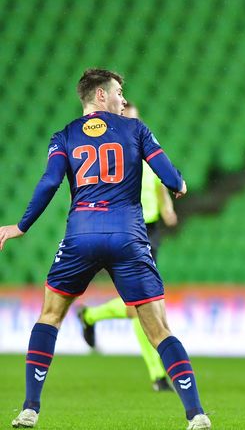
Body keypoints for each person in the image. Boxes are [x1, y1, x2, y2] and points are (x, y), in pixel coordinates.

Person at [0, 69, 211, 429]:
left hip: (81, 234)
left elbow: (50, 182)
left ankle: (30, 408)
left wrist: (21, 226)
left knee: (50, 315)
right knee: (159, 329)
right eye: (118, 92)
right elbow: (170, 176)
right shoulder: (136, 129)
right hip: (128, 234)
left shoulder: (63, 136)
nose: (123, 100)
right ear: (100, 96)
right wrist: (179, 184)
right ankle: (196, 414)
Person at [76, 102, 179, 392]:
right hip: (127, 228)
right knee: (142, 304)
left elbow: (159, 180)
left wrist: (166, 205)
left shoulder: (145, 144)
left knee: (143, 303)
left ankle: (91, 315)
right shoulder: (110, 155)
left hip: (151, 227)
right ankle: (158, 375)